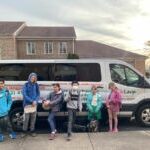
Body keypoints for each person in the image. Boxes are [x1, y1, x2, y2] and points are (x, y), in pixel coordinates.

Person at [22, 73, 40, 137]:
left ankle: (32, 131)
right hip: (27, 104)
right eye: (32, 77)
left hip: (34, 104)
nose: (33, 78)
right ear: (29, 78)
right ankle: (24, 131)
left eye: (34, 77)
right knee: (26, 119)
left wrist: (35, 101)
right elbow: (24, 94)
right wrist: (31, 101)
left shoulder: (36, 85)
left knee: (33, 118)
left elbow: (38, 94)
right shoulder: (26, 85)